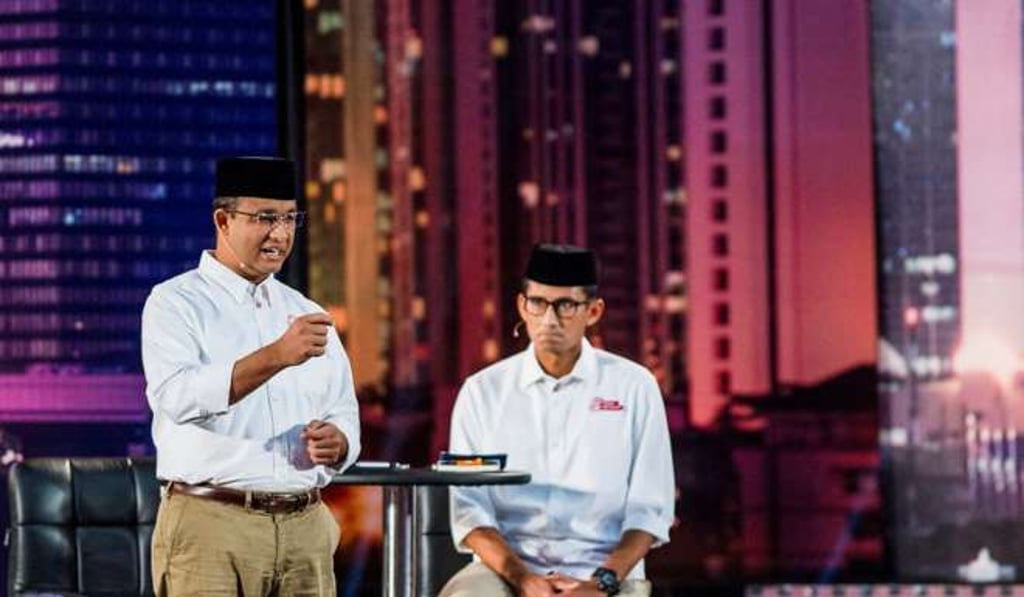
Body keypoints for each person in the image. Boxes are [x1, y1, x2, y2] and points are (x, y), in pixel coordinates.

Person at [141, 156, 361, 596]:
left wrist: (340, 442)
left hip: (306, 528)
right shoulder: (176, 303)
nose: (280, 234)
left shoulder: (306, 312)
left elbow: (343, 409)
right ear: (223, 220)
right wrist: (276, 356)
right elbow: (179, 398)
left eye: (289, 219)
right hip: (212, 526)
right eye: (264, 218)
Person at [441, 243, 675, 597]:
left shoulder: (634, 386)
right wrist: (524, 580)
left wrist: (601, 583)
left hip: (608, 570)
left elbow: (650, 510)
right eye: (538, 303)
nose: (550, 319)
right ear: (522, 305)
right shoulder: (482, 392)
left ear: (593, 311)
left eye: (565, 305)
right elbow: (469, 512)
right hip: (506, 570)